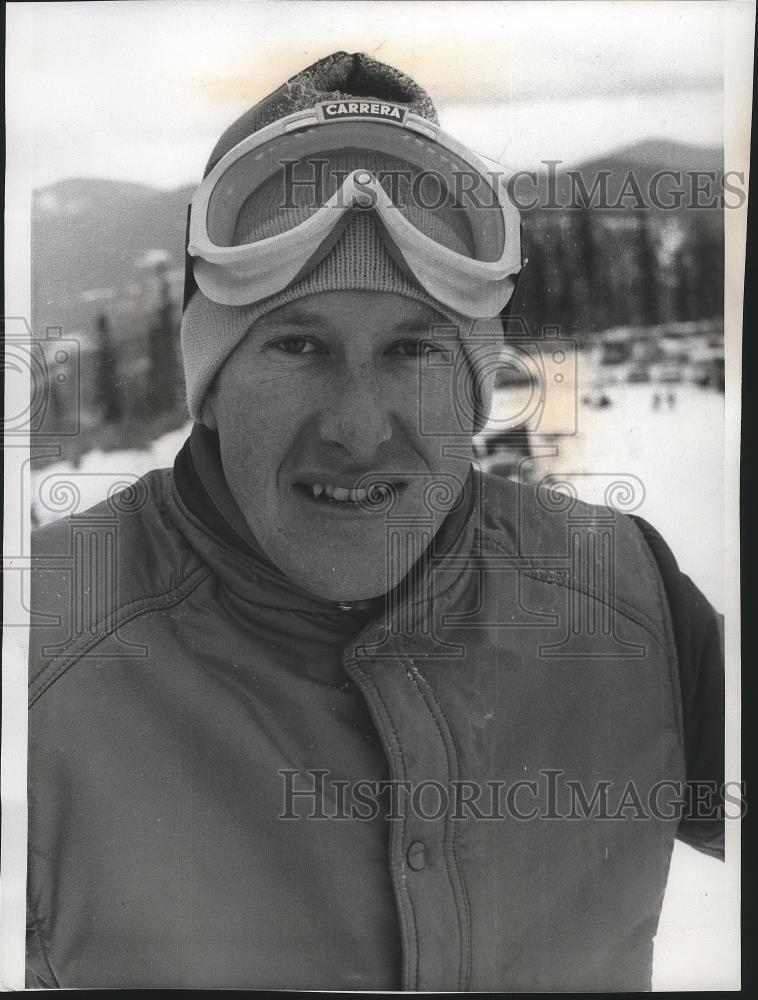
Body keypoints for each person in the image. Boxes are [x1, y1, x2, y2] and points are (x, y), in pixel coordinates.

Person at [26, 51, 725, 991]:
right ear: (212, 384)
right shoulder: (46, 644)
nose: (358, 427)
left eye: (413, 349)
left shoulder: (627, 600)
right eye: (298, 343)